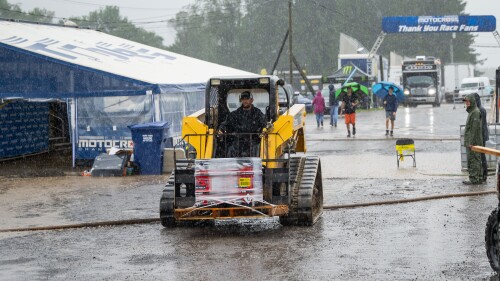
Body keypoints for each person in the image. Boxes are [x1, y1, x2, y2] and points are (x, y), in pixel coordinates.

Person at [218, 91, 267, 157]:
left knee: (258, 149)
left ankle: (258, 165)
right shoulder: (234, 114)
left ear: (251, 100)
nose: (245, 101)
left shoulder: (258, 113)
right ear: (241, 100)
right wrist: (222, 129)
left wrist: (262, 131)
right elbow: (226, 124)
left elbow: (264, 124)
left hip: (253, 141)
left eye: (247, 99)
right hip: (238, 141)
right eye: (243, 99)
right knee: (231, 149)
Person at [463, 94, 484, 185]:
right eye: (466, 102)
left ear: (472, 101)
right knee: (475, 159)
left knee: (474, 160)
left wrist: (470, 142)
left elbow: (474, 129)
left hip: (474, 142)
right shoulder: (472, 112)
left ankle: (475, 179)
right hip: (472, 142)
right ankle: (477, 178)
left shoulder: (475, 112)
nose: (467, 103)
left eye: (468, 101)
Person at [474, 93, 489, 182]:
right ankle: (482, 173)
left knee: (482, 155)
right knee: (480, 155)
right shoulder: (478, 109)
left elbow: (482, 125)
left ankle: (484, 174)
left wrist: (481, 136)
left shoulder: (481, 110)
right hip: (481, 135)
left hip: (482, 135)